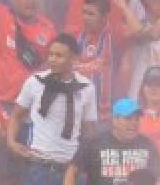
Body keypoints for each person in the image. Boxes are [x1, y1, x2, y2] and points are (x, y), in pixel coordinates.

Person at [8, 34, 99, 185]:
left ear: (73, 58)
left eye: (59, 55)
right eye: (50, 54)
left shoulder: (87, 87)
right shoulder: (35, 82)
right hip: (37, 166)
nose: (52, 59)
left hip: (69, 169)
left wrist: (82, 164)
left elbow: (89, 132)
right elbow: (16, 116)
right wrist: (11, 142)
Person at [65, 98, 160, 185]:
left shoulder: (147, 144)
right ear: (115, 120)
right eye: (128, 118)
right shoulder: (94, 143)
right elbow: (72, 171)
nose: (134, 123)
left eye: (137, 119)